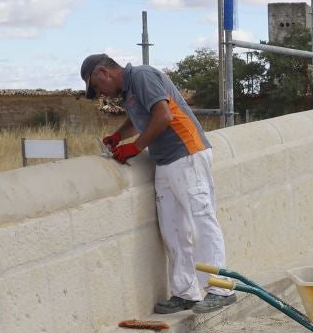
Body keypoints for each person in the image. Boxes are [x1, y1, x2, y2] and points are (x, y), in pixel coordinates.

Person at [80, 53, 232, 315]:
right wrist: (118, 136)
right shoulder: (129, 91)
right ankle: (186, 292)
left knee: (201, 221)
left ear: (103, 73)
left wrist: (135, 148)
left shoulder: (141, 76)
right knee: (174, 228)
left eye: (97, 86)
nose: (101, 93)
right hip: (166, 160)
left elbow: (163, 115)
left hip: (187, 153)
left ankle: (221, 289)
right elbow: (140, 118)